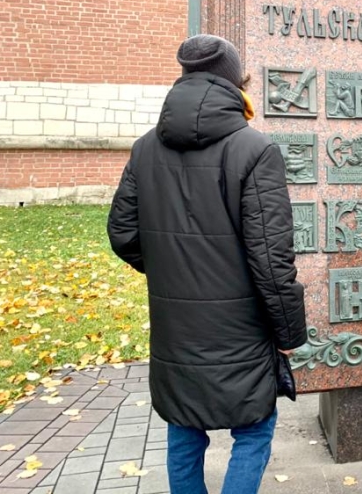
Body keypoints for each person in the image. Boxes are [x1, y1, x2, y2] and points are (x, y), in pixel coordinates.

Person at [107, 34, 307, 494]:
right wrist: (290, 333)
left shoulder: (144, 149)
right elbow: (272, 259)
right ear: (235, 83)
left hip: (176, 326)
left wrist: (172, 270)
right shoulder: (255, 151)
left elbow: (122, 233)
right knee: (254, 430)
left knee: (183, 426)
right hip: (243, 328)